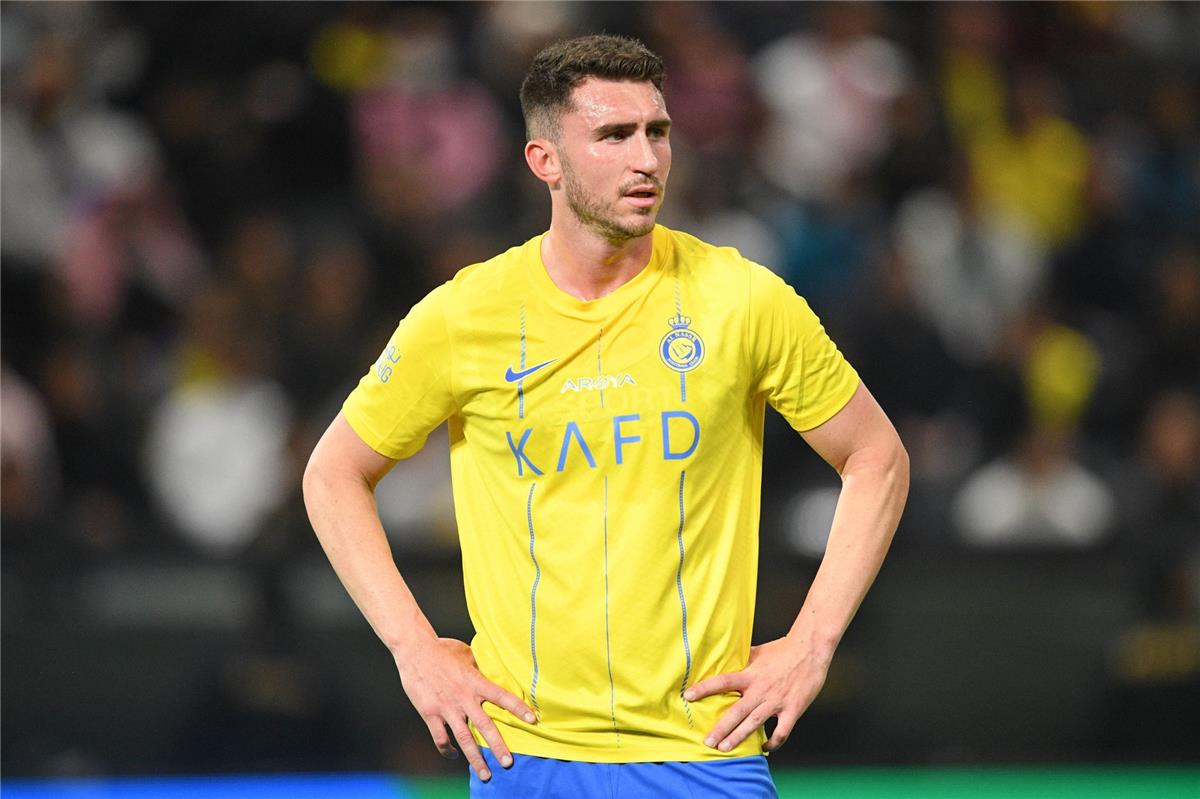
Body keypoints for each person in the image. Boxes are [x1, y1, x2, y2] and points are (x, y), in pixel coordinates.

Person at [303, 34, 908, 798]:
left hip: (704, 752)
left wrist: (812, 644)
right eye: (614, 135)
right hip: (525, 756)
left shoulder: (743, 300)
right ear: (544, 161)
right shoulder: (464, 315)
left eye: (657, 131)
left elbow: (877, 457)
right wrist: (413, 647)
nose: (647, 158)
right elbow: (333, 473)